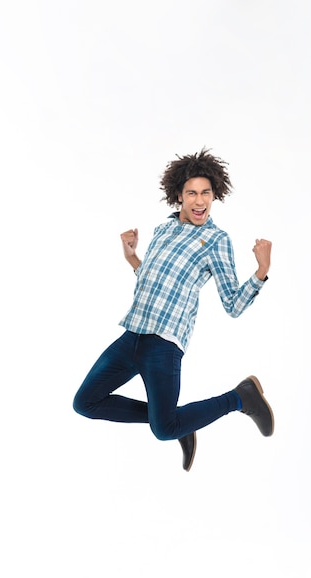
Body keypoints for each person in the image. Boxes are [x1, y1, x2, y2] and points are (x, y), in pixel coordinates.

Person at [73, 148, 274, 471]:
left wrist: (261, 270)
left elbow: (233, 306)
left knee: (164, 430)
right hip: (132, 336)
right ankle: (183, 421)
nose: (199, 201)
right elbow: (154, 282)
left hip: (164, 346)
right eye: (191, 193)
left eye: (205, 193)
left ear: (214, 195)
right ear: (178, 196)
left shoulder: (216, 240)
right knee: (85, 403)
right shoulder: (163, 230)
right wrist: (132, 258)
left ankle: (240, 397)